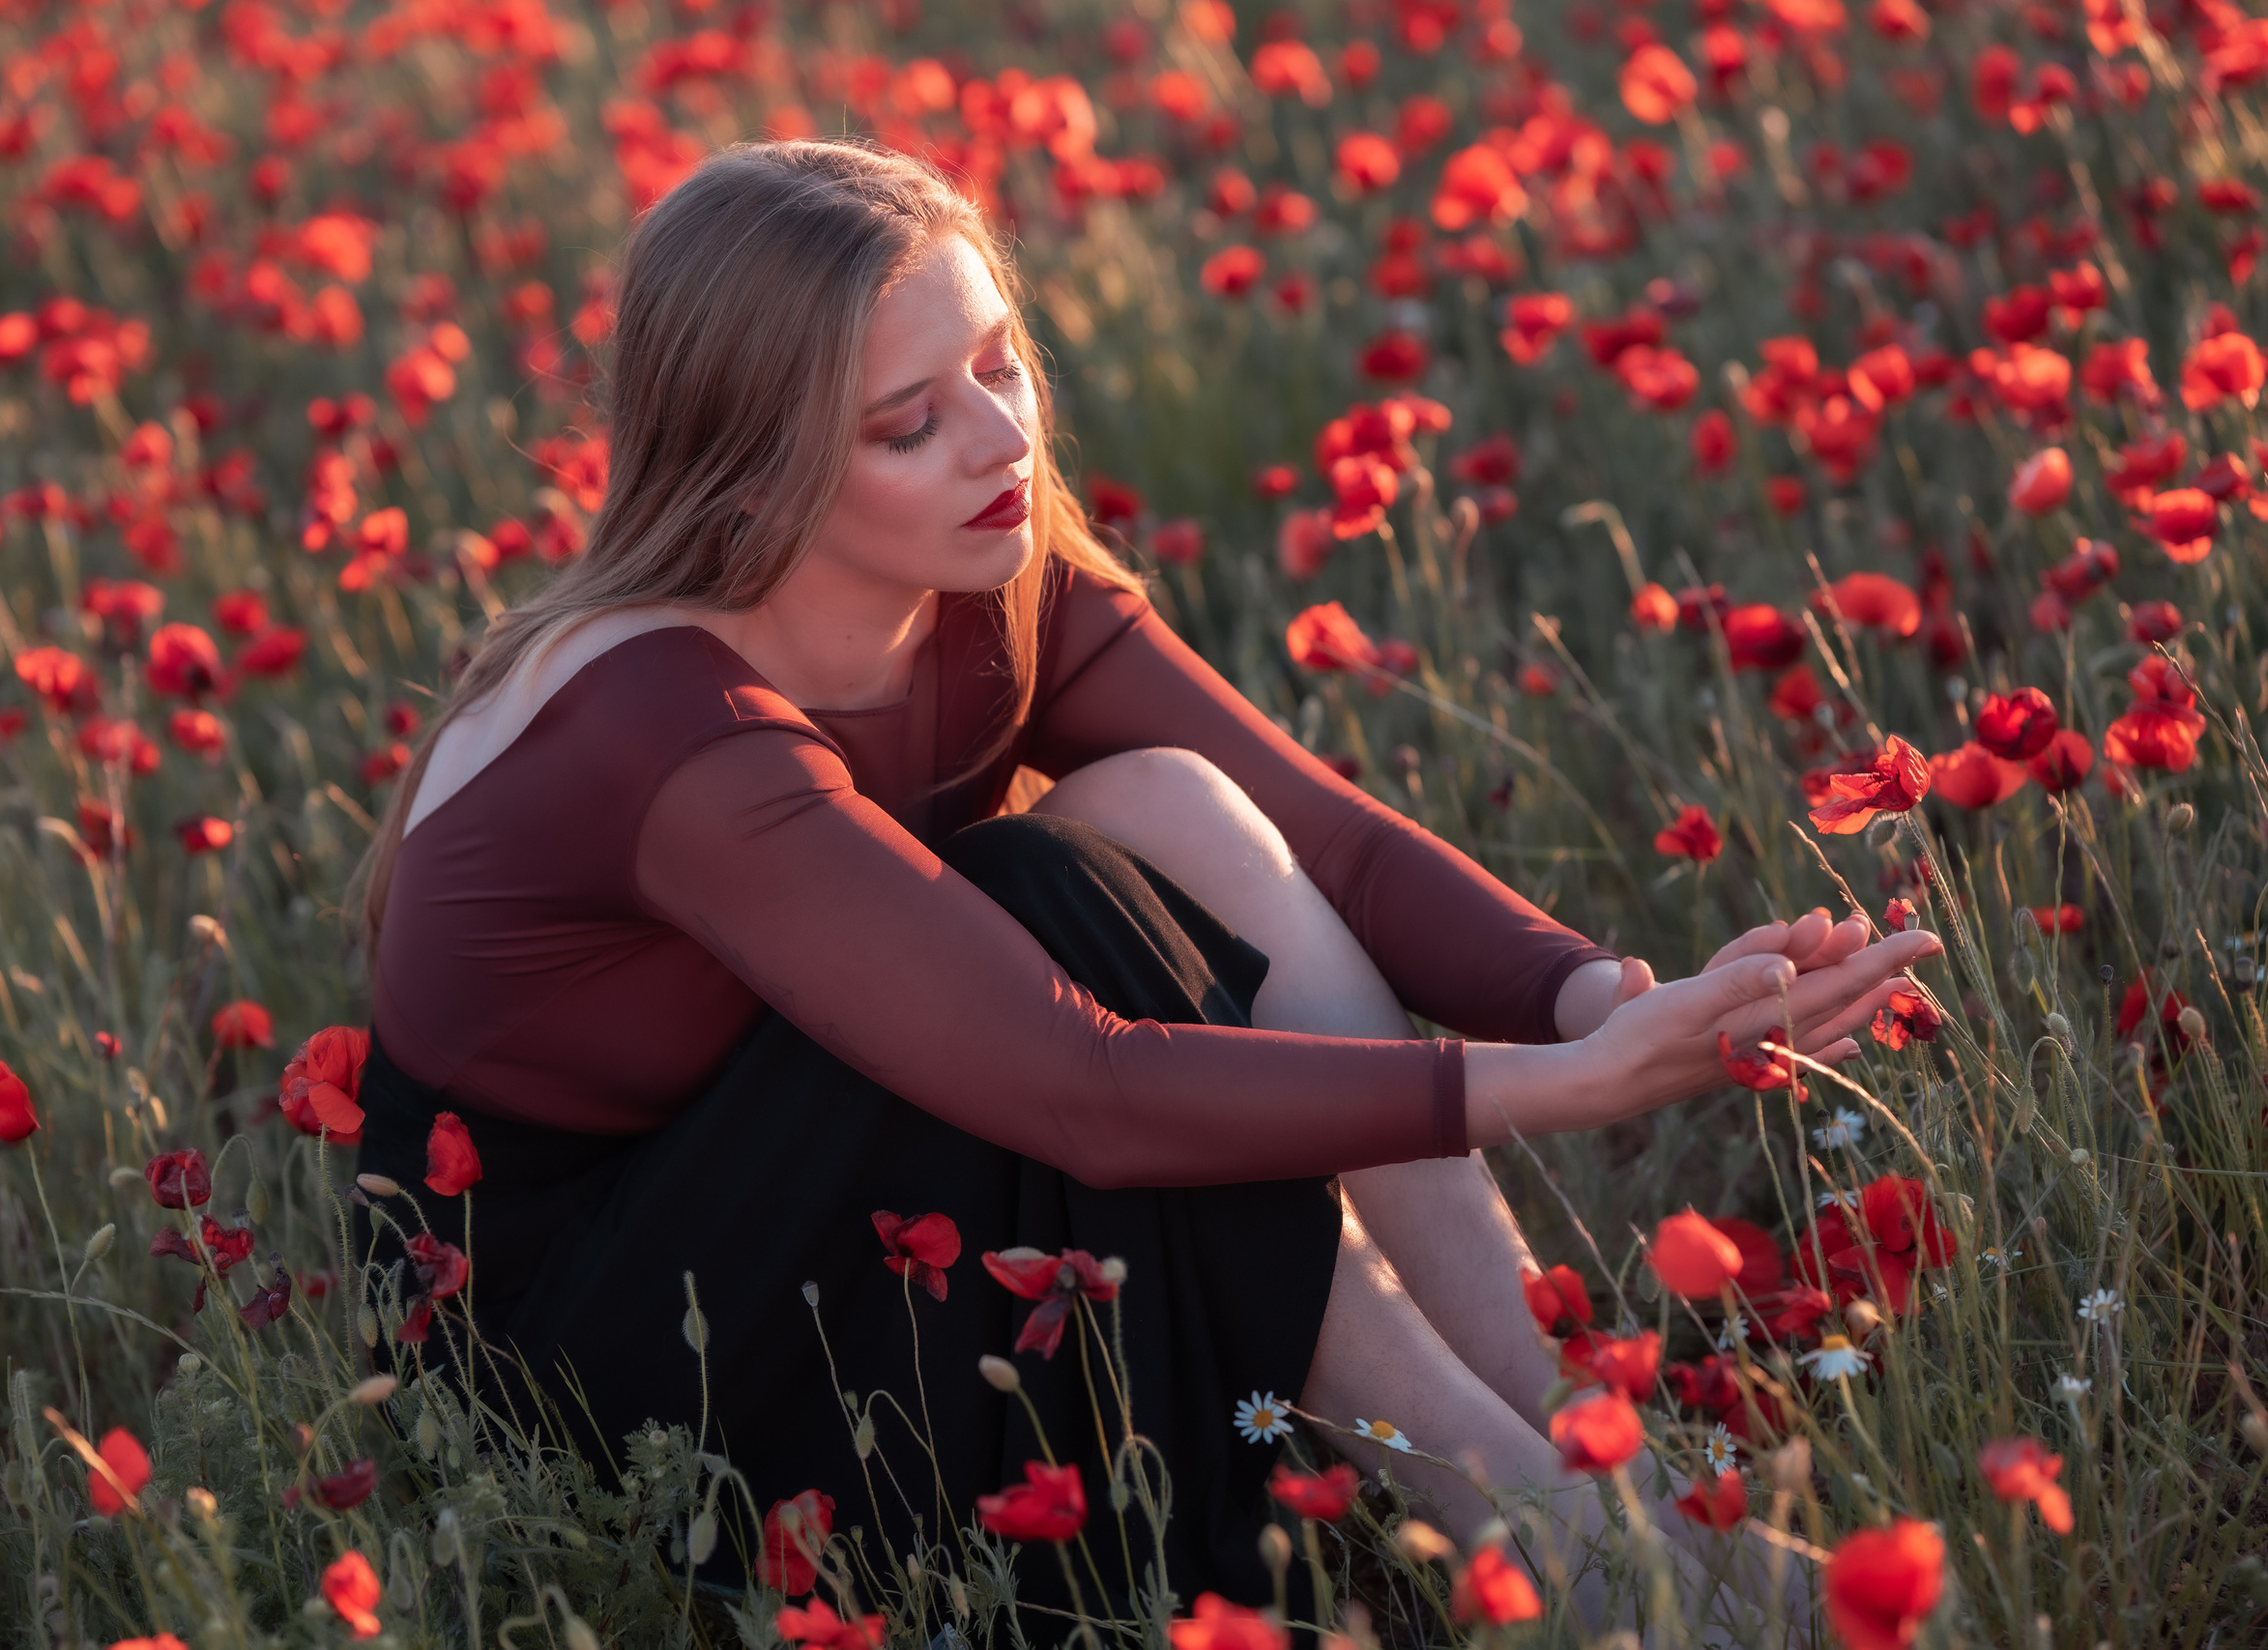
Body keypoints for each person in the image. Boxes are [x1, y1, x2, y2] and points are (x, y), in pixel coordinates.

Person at [342, 138, 1938, 1635]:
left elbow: (1326, 844)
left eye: (999, 364)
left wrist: (1604, 1001)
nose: (1004, 441)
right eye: (908, 425)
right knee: (1052, 900)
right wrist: (1568, 1088)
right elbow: (1087, 1086)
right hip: (596, 1341)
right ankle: (1524, 1519)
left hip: (843, 1155)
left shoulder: (985, 576)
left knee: (1163, 804)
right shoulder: (663, 728)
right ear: (752, 482)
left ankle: (1592, 1457)